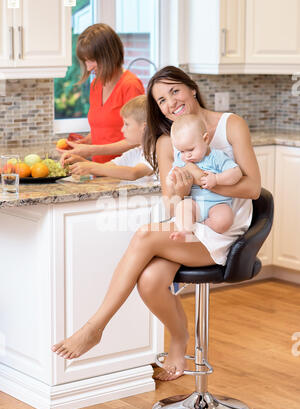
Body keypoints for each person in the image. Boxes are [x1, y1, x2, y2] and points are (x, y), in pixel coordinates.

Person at [52, 66, 261, 382]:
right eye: (161, 100)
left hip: (224, 229)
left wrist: (204, 181)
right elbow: (171, 200)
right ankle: (178, 340)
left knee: (146, 234)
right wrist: (179, 192)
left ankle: (95, 327)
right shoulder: (167, 143)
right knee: (149, 282)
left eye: (174, 91)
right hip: (189, 225)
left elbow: (253, 188)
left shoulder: (230, 125)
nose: (171, 103)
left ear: (191, 88)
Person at [57, 23, 144, 167]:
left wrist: (90, 150)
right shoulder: (96, 85)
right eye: (85, 61)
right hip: (101, 171)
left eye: (92, 60)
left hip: (125, 172)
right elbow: (106, 131)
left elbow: (138, 140)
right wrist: (85, 143)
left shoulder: (130, 85)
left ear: (108, 56)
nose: (88, 67)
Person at [167, 114, 242, 242]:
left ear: (205, 139)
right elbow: (172, 177)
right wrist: (171, 180)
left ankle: (203, 228)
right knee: (183, 206)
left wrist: (217, 179)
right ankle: (185, 230)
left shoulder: (216, 157)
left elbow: (236, 173)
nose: (186, 155)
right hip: (195, 203)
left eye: (190, 149)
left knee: (224, 220)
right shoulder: (181, 159)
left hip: (217, 204)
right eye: (181, 151)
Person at [66, 96, 156, 183]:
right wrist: (79, 161)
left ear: (144, 128)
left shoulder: (156, 153)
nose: (122, 129)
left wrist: (90, 167)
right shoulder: (136, 153)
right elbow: (105, 168)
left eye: (127, 124)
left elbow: (133, 173)